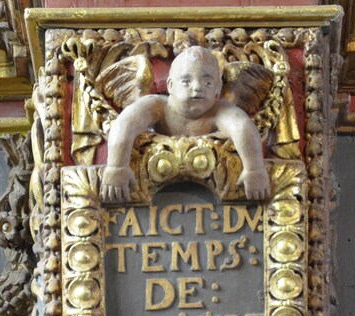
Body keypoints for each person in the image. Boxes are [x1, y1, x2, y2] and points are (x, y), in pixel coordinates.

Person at [100, 46, 271, 203]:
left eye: (208, 83)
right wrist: (116, 167)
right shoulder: (156, 106)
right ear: (170, 85)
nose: (197, 88)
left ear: (218, 89)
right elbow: (124, 124)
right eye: (186, 81)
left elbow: (242, 128)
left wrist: (254, 170)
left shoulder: (219, 111)